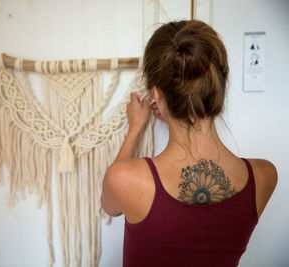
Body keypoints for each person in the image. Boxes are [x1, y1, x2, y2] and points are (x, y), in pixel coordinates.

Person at [101, 20, 277, 267]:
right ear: (223, 86)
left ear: (157, 95)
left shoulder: (125, 179)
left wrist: (135, 129)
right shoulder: (264, 176)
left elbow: (110, 208)